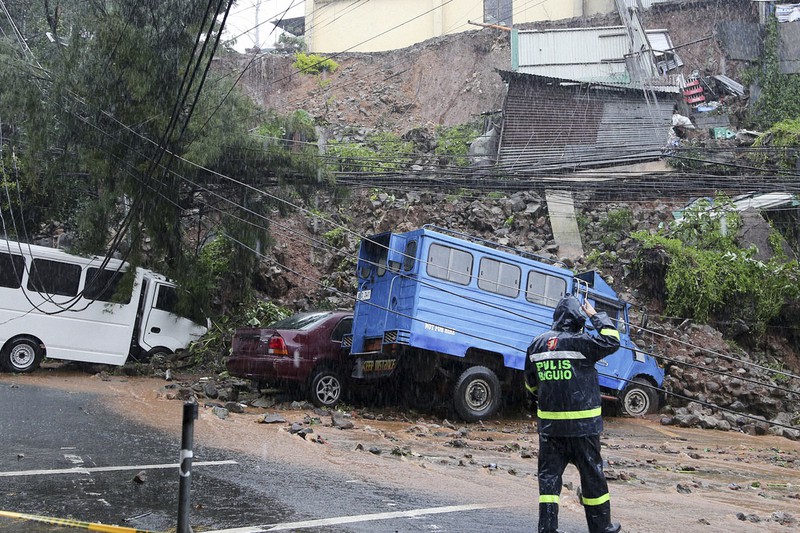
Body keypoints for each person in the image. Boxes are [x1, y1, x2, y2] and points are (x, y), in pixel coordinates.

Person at [525, 294, 622, 533]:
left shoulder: (536, 344)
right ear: (578, 319)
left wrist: (551, 395)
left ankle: (547, 528)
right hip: (583, 430)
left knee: (549, 480)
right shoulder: (582, 342)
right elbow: (612, 341)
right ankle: (601, 528)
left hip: (550, 430)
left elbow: (530, 386)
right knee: (592, 478)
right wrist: (595, 316)